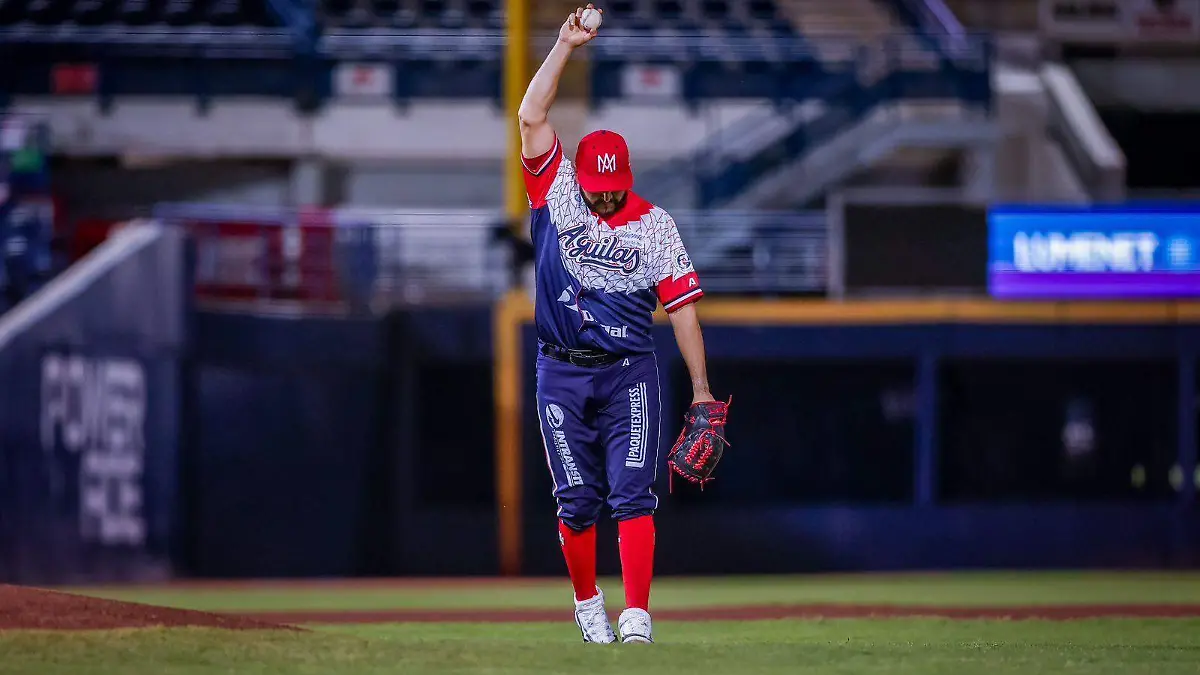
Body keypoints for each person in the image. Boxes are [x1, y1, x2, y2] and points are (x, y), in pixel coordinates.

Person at [517, 3, 717, 645]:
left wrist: (702, 390)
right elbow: (531, 115)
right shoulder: (555, 190)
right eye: (595, 187)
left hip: (629, 372)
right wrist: (565, 46)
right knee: (577, 501)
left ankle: (637, 615)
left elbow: (683, 310)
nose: (604, 197)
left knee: (634, 495)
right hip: (560, 370)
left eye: (614, 188)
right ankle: (587, 603)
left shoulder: (654, 225)